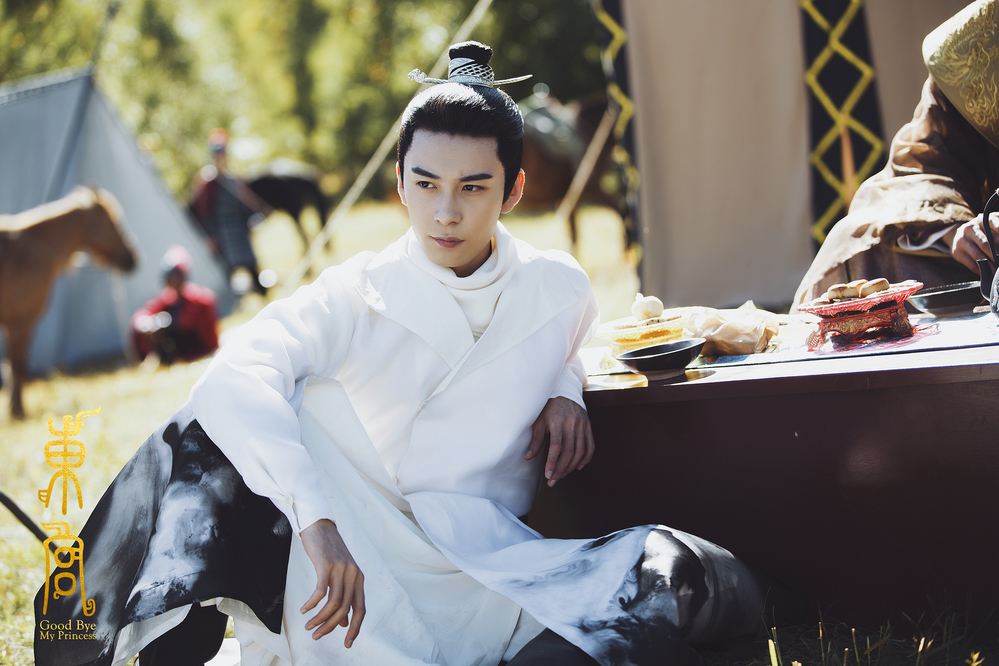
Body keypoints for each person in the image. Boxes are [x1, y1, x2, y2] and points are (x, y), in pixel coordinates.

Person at [35, 43, 802, 666]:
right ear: (399, 184)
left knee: (668, 573)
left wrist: (565, 386)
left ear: (512, 190)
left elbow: (563, 342)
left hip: (482, 555)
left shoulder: (558, 288)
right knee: (240, 412)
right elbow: (237, 370)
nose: (445, 211)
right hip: (358, 549)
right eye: (426, 183)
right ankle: (166, 632)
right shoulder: (357, 289)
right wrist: (316, 519)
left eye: (472, 187)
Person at [793, 0, 999, 308]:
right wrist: (954, 229)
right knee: (857, 240)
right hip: (980, 249)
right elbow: (922, 159)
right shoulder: (976, 48)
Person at [188, 128, 269, 295]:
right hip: (221, 234)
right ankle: (231, 299)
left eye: (223, 153)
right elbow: (198, 210)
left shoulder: (233, 179)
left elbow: (247, 203)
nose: (221, 157)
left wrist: (253, 216)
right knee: (227, 270)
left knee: (250, 263)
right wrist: (209, 235)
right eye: (218, 153)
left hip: (238, 230)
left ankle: (261, 291)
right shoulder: (207, 179)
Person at [131, 245, 219, 365]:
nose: (173, 280)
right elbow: (142, 315)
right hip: (174, 357)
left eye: (176, 276)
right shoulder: (166, 299)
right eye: (170, 276)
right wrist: (149, 324)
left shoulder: (201, 300)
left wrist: (176, 324)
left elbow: (210, 340)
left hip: (198, 353)